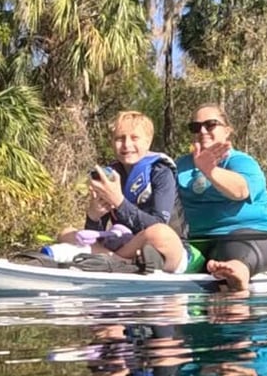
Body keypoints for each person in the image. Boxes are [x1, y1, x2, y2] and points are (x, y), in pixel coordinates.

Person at [52, 111, 190, 273]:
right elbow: (95, 235)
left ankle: (109, 260)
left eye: (134, 138)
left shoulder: (161, 172)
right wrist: (94, 216)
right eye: (120, 138)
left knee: (159, 233)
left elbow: (159, 222)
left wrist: (119, 202)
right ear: (112, 142)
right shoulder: (109, 175)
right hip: (122, 246)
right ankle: (120, 262)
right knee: (66, 233)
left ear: (148, 141)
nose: (126, 145)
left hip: (166, 248)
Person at [174, 103, 267, 291]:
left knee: (234, 247)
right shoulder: (179, 166)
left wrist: (210, 171)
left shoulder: (242, 162)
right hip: (200, 245)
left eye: (210, 125)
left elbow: (240, 190)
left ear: (227, 131)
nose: (202, 131)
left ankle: (238, 272)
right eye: (195, 127)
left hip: (252, 238)